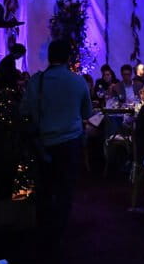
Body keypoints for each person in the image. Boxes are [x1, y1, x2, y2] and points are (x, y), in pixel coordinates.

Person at [20, 39, 93, 245]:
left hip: (43, 143)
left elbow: (24, 110)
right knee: (65, 188)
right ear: (68, 57)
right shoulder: (78, 82)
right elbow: (87, 112)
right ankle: (59, 231)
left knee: (44, 187)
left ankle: (43, 227)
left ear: (49, 57)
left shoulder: (36, 81)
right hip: (70, 143)